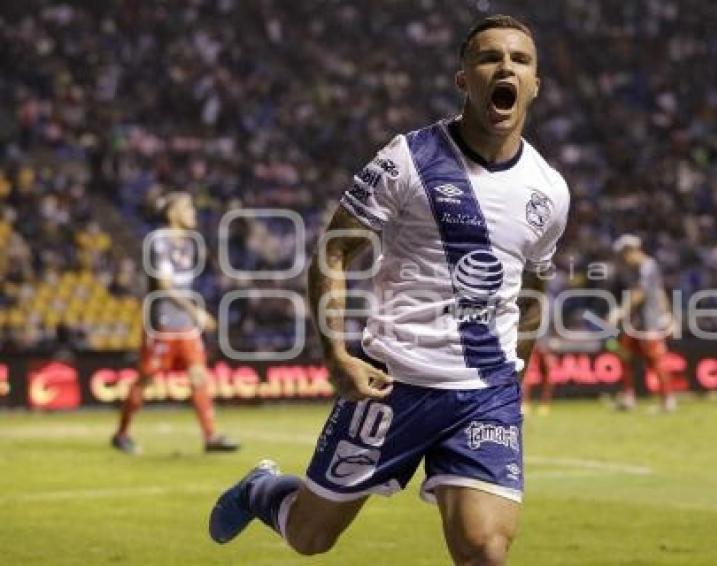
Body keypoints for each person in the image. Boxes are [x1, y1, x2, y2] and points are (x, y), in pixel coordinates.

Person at [209, 15, 569, 564]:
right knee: (310, 537)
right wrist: (335, 353)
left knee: (485, 551)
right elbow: (333, 251)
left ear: (535, 84)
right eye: (489, 57)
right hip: (391, 383)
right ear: (463, 78)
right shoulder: (410, 159)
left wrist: (517, 369)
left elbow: (534, 288)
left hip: (484, 394)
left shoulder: (549, 190)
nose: (505, 67)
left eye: (520, 60)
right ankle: (262, 490)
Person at [111, 192, 240, 454]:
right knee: (146, 379)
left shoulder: (191, 243)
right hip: (162, 323)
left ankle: (211, 436)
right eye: (187, 207)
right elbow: (164, 286)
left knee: (198, 376)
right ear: (172, 214)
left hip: (186, 326)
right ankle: (122, 433)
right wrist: (196, 312)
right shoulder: (159, 241)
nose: (193, 212)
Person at [610, 234, 677, 412]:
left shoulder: (648, 267)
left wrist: (621, 310)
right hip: (637, 323)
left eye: (624, 255)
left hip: (649, 322)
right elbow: (660, 291)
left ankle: (667, 400)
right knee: (624, 353)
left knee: (656, 361)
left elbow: (641, 292)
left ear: (631, 251)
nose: (623, 260)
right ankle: (628, 397)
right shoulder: (639, 269)